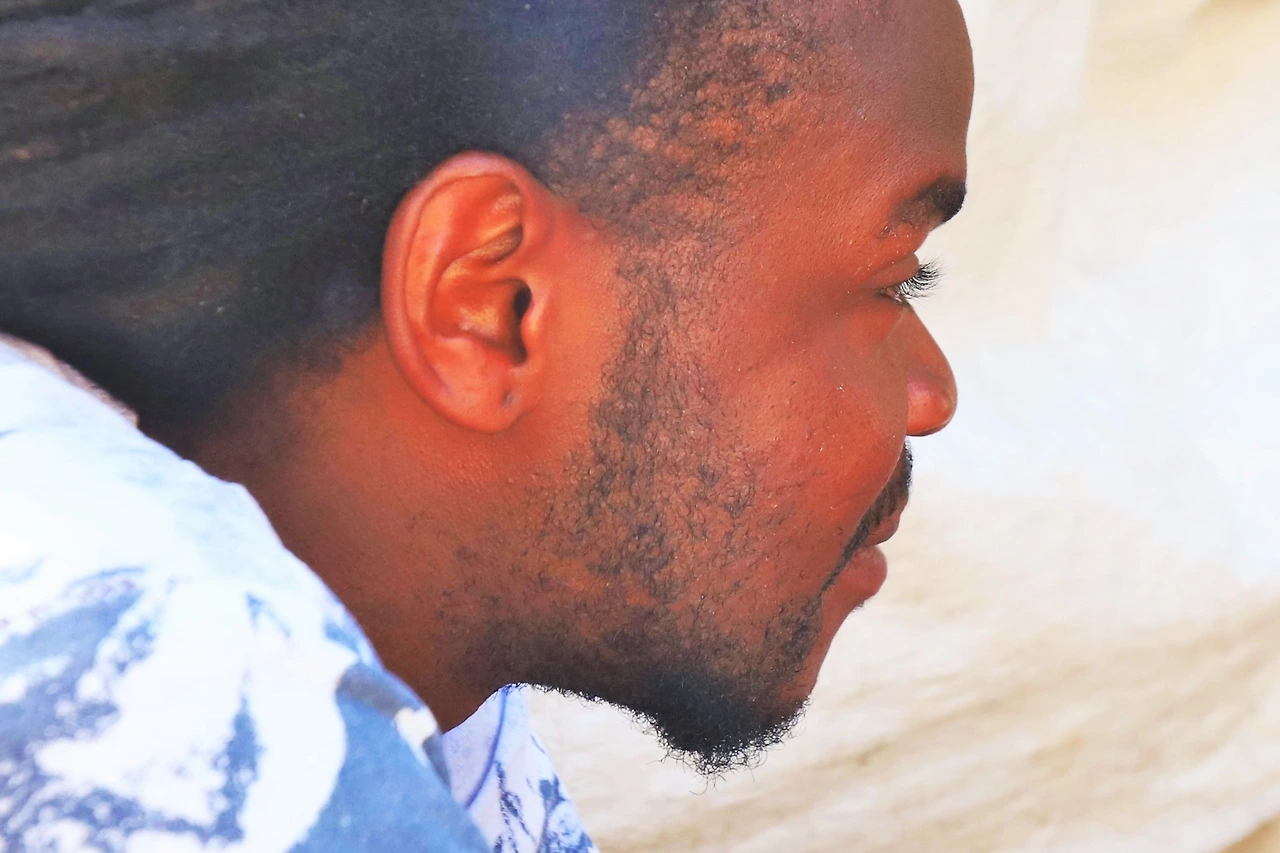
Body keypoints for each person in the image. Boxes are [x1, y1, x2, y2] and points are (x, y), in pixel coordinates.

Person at [0, 0, 972, 848]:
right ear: (491, 305)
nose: (934, 395)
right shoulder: (159, 683)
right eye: (893, 280)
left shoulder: (404, 683)